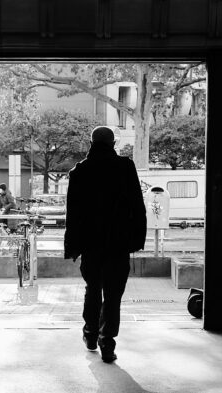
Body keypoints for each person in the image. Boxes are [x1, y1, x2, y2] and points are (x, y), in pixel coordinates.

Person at [64, 126, 147, 363]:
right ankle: (107, 343)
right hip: (118, 243)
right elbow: (137, 206)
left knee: (93, 288)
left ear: (91, 142)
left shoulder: (79, 171)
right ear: (113, 144)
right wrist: (137, 239)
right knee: (113, 295)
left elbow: (74, 213)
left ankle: (90, 334)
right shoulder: (125, 167)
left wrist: (72, 246)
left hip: (90, 243)